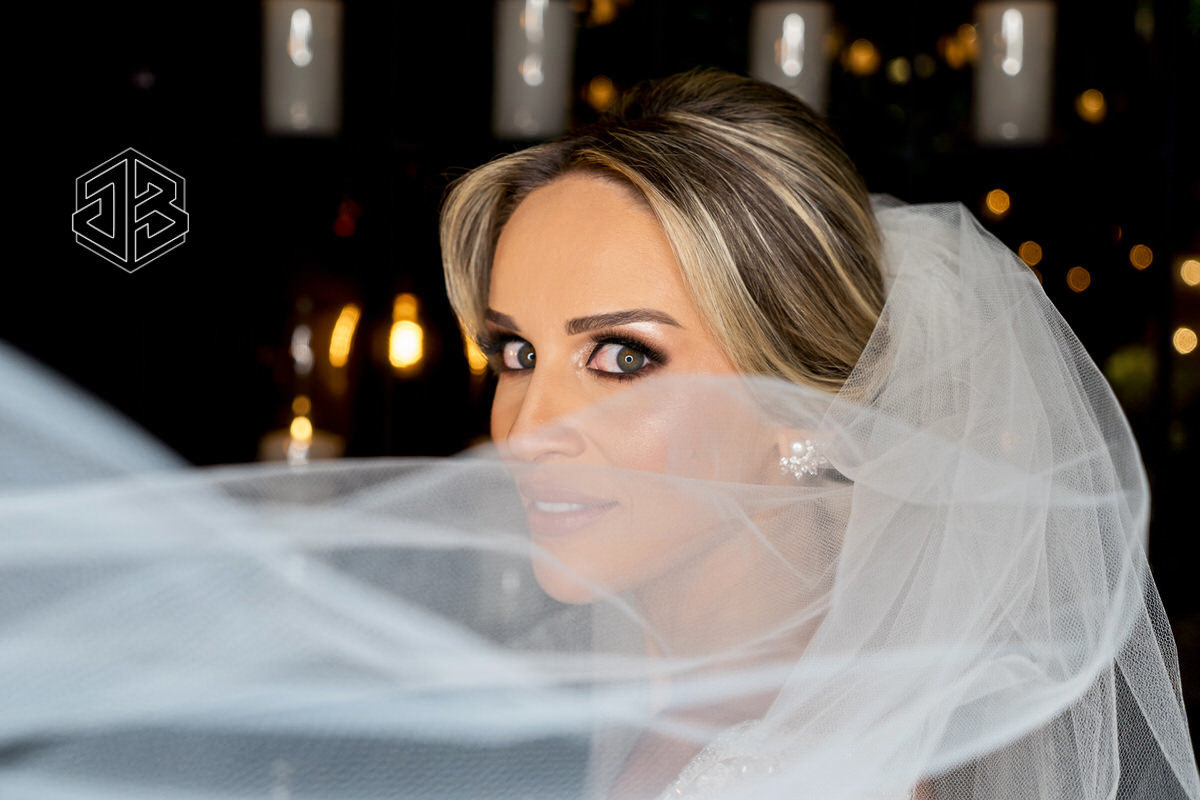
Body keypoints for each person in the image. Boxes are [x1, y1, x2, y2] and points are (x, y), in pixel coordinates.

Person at [0, 67, 1196, 800]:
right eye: (516, 352)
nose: (527, 429)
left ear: (805, 408)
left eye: (622, 356)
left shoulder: (831, 768)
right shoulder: (645, 682)